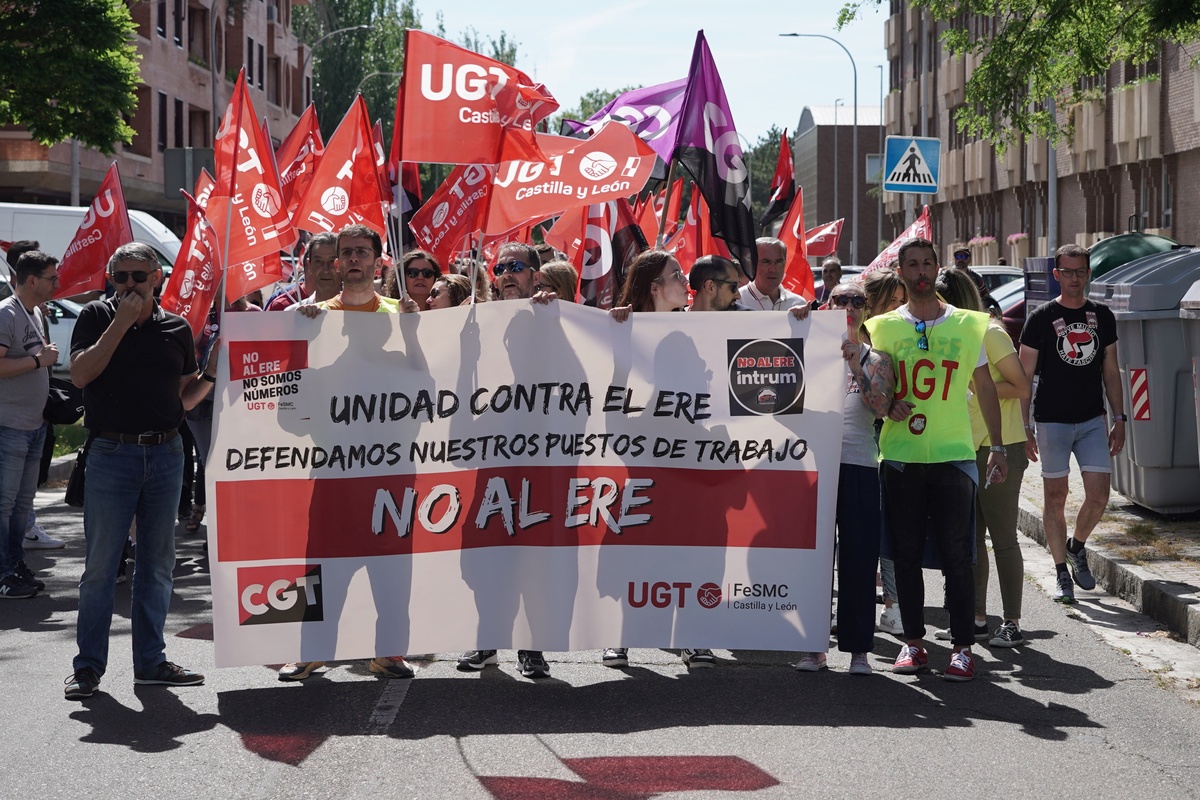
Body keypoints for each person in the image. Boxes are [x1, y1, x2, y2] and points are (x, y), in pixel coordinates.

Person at [64, 243, 220, 700]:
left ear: (157, 278)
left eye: (138, 276)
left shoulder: (176, 327)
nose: (128, 285)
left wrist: (209, 374)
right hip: (112, 453)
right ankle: (88, 667)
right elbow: (79, 374)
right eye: (120, 277)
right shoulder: (95, 316)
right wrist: (119, 323)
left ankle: (151, 662)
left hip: (167, 453)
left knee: (157, 565)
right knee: (100, 567)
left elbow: (181, 399)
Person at [864, 238, 1008, 683]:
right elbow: (873, 385)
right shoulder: (882, 326)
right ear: (901, 273)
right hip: (901, 456)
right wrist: (888, 407)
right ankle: (913, 643)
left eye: (928, 263)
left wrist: (998, 447)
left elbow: (985, 387)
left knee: (957, 555)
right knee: (904, 555)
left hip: (953, 455)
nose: (921, 271)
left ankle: (963, 647)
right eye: (913, 265)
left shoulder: (969, 324)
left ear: (937, 268)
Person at [606, 250, 714, 669]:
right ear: (654, 288)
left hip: (686, 454)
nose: (684, 279)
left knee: (686, 548)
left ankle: (690, 635)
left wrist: (798, 326)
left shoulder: (698, 330)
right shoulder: (620, 326)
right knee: (636, 547)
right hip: (638, 455)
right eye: (676, 274)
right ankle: (621, 636)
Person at [456, 240, 552, 679]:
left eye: (518, 266)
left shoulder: (553, 316)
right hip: (490, 463)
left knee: (532, 561)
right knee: (484, 560)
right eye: (501, 267)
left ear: (536, 275)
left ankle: (531, 648)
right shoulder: (474, 323)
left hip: (539, 465)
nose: (509, 273)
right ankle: (487, 642)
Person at [795, 280, 895, 674]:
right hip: (813, 466)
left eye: (857, 301)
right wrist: (797, 325)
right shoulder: (808, 349)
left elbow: (883, 407)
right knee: (815, 560)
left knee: (858, 558)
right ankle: (812, 646)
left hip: (859, 464)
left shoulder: (878, 359)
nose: (849, 306)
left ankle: (858, 650)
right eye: (841, 299)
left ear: (867, 309)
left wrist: (857, 365)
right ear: (828, 305)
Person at [1019, 244, 1123, 604]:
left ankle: (1077, 547)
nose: (1074, 279)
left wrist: (1120, 418)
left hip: (1093, 419)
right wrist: (1025, 425)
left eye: (1080, 272)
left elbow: (1111, 371)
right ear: (1056, 274)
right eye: (1068, 272)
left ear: (1088, 274)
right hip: (1051, 421)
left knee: (1098, 495)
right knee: (1055, 496)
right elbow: (1024, 376)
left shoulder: (1103, 316)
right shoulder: (1041, 318)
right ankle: (1062, 572)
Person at [934, 269, 1031, 646]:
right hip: (963, 446)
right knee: (970, 541)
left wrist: (979, 386)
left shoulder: (989, 332)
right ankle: (976, 619)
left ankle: (1012, 621)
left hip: (1000, 446)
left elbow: (1021, 385)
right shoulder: (953, 333)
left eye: (941, 302)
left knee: (1003, 538)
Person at [0, 250, 61, 599]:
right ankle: (4, 573)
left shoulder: (35, 311)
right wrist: (39, 361)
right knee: (5, 506)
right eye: (52, 278)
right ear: (32, 280)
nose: (57, 283)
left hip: (33, 425)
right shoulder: (6, 312)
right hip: (9, 425)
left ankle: (14, 564)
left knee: (22, 506)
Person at [861, 268, 906, 636]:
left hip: (890, 440)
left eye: (900, 301)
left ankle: (893, 606)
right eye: (890, 301)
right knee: (851, 532)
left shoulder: (899, 335)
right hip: (852, 442)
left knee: (890, 526)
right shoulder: (852, 336)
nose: (896, 308)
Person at [265, 233, 340, 310]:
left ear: (341, 264)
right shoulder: (288, 311)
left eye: (332, 261)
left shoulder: (352, 309)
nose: (326, 270)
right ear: (309, 266)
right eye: (318, 262)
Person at [739, 238, 808, 311]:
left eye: (778, 262)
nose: (773, 269)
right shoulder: (738, 301)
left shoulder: (798, 303)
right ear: (752, 264)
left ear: (785, 263)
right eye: (765, 262)